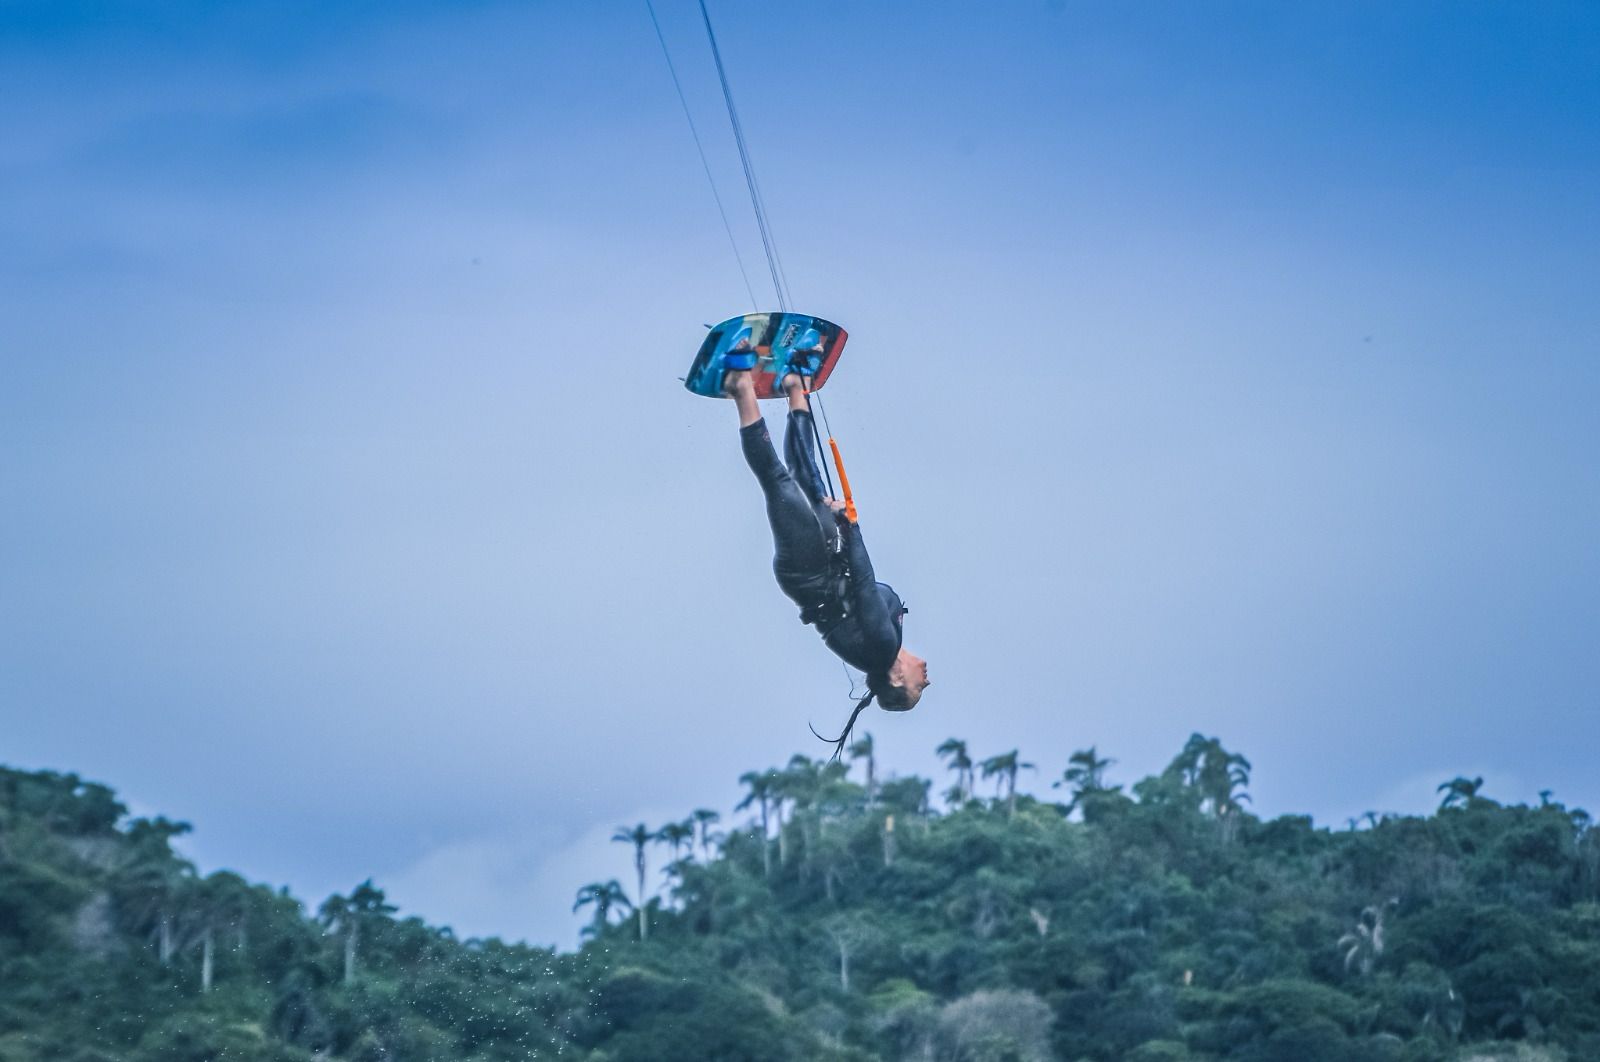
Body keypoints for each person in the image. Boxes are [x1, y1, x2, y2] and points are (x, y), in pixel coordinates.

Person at [723, 361, 930, 756]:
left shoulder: (882, 648)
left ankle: (741, 390)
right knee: (807, 473)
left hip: (809, 571)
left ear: (898, 678)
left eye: (920, 687)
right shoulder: (887, 643)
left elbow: (866, 587)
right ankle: (795, 388)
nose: (927, 679)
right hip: (828, 558)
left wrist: (851, 526)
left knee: (779, 482)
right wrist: (842, 524)